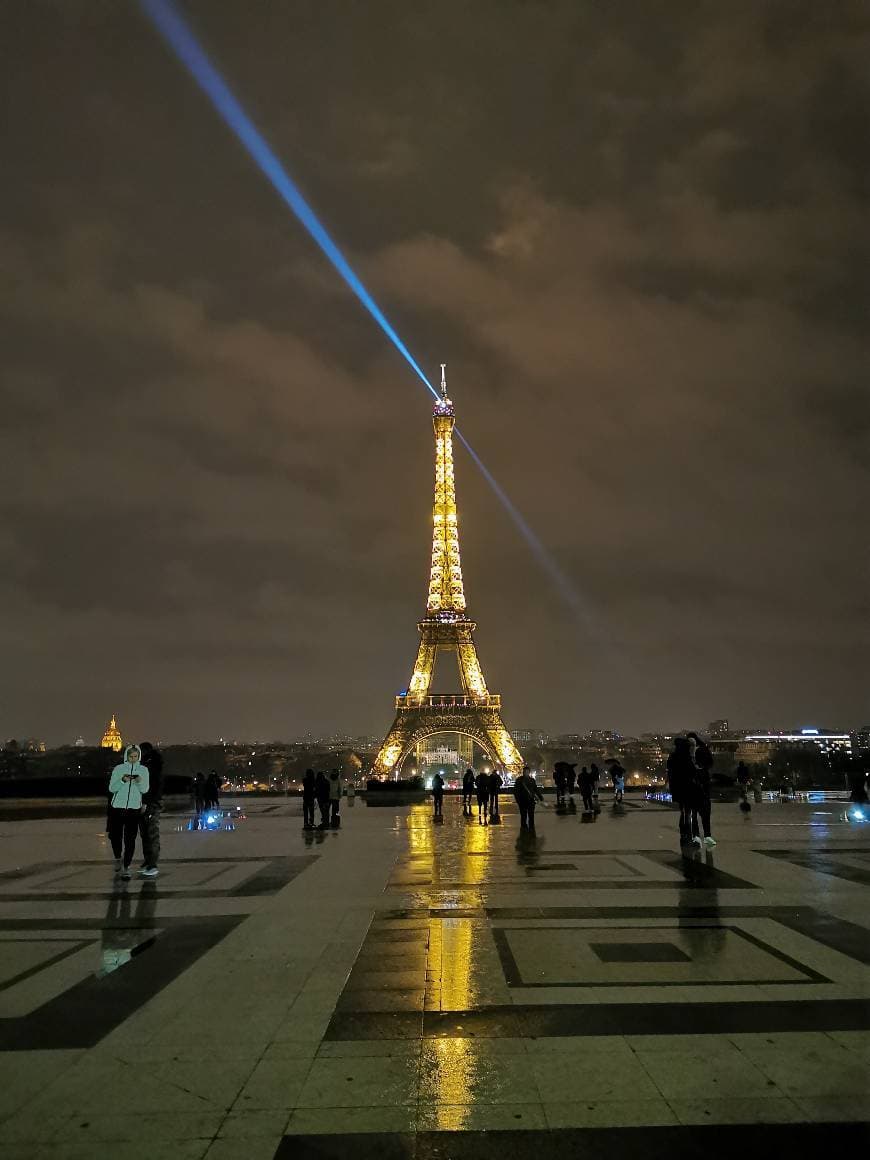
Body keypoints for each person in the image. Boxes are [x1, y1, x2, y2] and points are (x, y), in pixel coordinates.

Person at [108, 744, 149, 879]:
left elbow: (144, 790)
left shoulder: (143, 770)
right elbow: (112, 788)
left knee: (130, 839)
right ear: (126, 756)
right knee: (115, 836)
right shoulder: (119, 769)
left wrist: (138, 781)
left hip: (133, 809)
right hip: (118, 808)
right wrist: (122, 780)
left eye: (135, 756)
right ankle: (118, 857)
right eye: (131, 756)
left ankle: (126, 866)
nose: (133, 759)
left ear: (139, 756)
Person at [138, 741, 163, 878]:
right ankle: (148, 861)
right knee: (145, 834)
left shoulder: (151, 766)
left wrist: (146, 803)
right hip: (146, 802)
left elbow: (150, 786)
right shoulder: (148, 764)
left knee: (151, 833)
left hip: (151, 803)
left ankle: (152, 864)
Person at [688, 732, 716, 847]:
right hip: (703, 785)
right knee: (704, 813)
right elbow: (710, 763)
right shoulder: (704, 749)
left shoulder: (692, 753)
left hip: (696, 786)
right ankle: (707, 835)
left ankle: (696, 836)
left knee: (694, 814)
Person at [666, 738, 694, 845]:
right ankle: (688, 834)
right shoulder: (686, 757)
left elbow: (670, 771)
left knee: (682, 810)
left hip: (676, 787)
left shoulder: (672, 756)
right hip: (687, 786)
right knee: (688, 811)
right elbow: (692, 771)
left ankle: (683, 833)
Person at [513, 766, 544, 831]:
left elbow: (535, 789)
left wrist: (540, 797)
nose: (526, 773)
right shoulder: (523, 780)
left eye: (527, 772)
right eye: (525, 772)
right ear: (523, 772)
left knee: (530, 815)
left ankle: (529, 827)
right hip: (523, 800)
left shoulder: (523, 780)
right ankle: (526, 827)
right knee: (524, 815)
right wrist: (518, 800)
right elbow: (516, 791)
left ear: (529, 772)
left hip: (530, 800)